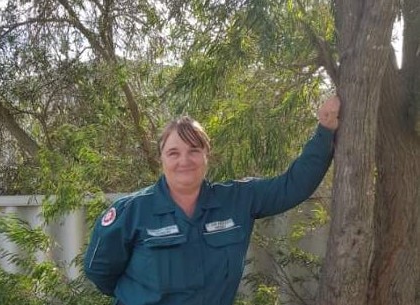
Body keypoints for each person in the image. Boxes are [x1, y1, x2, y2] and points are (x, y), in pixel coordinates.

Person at [84, 96, 341, 305]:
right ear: (161, 157)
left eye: (194, 150)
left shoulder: (238, 199)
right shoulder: (131, 212)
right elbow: (101, 273)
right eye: (173, 152)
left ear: (207, 154)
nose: (184, 160)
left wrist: (326, 128)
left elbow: (292, 186)